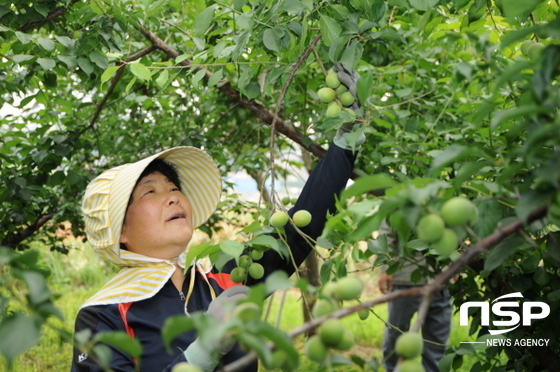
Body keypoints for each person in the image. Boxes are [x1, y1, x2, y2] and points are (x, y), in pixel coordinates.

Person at [71, 66, 365, 372]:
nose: (172, 196)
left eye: (173, 188)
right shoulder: (104, 313)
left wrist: (347, 139)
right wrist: (204, 350)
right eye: (150, 192)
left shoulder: (224, 278)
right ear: (121, 231)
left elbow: (299, 228)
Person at [377, 223, 452, 372]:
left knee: (437, 341)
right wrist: (385, 267)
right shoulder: (402, 202)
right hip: (405, 280)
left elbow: (455, 233)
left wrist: (455, 262)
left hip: (440, 280)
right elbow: (387, 233)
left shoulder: (444, 202)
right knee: (396, 336)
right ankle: (392, 369)